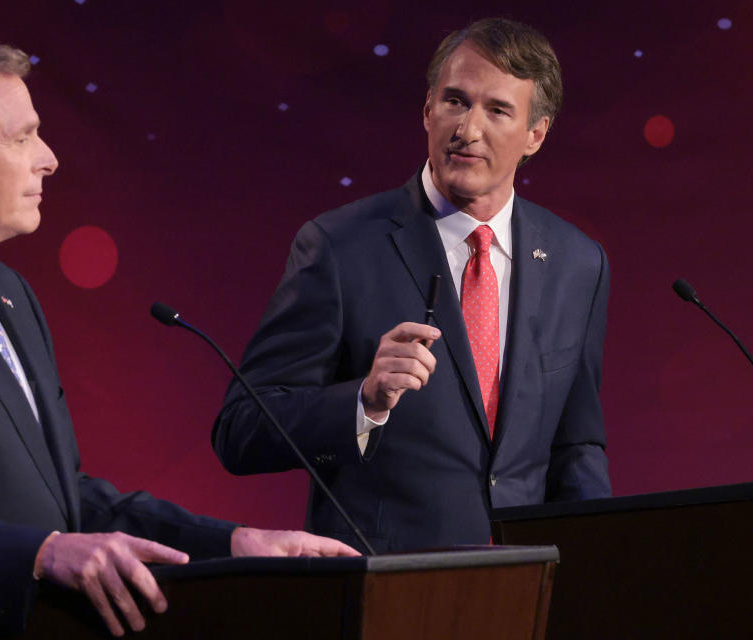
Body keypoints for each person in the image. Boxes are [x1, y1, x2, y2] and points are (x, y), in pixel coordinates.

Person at [0, 32, 357, 640]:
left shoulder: (8, 293)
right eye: (21, 136)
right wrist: (40, 555)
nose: (48, 157)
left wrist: (235, 543)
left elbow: (67, 503)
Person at [213, 18, 611, 553]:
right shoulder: (341, 246)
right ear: (427, 110)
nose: (467, 129)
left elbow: (576, 444)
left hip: (520, 588)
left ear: (536, 134)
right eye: (454, 101)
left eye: (497, 110)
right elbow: (241, 432)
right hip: (390, 588)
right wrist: (363, 401)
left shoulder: (577, 263)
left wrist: (598, 565)